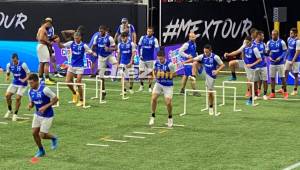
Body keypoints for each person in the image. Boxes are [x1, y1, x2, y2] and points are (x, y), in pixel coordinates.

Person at [57, 32, 97, 106]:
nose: (76, 39)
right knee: (67, 82)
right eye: (75, 38)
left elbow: (90, 51)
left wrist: (93, 53)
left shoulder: (84, 45)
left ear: (80, 38)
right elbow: (61, 46)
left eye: (77, 38)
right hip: (72, 65)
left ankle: (81, 100)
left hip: (80, 66)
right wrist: (58, 42)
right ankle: (75, 93)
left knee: (78, 82)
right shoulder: (71, 43)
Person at [185, 44, 225, 115]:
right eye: (205, 52)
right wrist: (185, 62)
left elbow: (223, 65)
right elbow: (193, 59)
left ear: (211, 51)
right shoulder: (202, 56)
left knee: (210, 93)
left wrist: (217, 71)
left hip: (211, 75)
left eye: (207, 52)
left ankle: (211, 106)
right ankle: (193, 76)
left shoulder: (215, 57)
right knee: (195, 63)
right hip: (204, 73)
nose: (205, 54)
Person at [27, 73, 58, 157]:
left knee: (42, 135)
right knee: (34, 133)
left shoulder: (45, 89)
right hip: (37, 115)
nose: (30, 85)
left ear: (37, 81)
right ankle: (41, 150)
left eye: (31, 83)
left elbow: (56, 99)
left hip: (47, 115)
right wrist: (30, 105)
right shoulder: (30, 91)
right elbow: (32, 102)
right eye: (29, 83)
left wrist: (46, 106)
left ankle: (53, 138)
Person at [149, 48, 176, 128]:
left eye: (161, 59)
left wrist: (165, 74)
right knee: (153, 98)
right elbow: (154, 71)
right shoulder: (156, 63)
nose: (160, 60)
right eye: (158, 58)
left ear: (164, 57)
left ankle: (170, 117)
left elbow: (174, 74)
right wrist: (154, 76)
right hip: (159, 83)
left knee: (168, 102)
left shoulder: (170, 64)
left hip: (168, 85)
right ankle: (153, 116)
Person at [92, 25, 117, 100]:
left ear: (105, 31)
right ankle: (103, 91)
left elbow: (115, 48)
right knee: (101, 76)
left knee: (117, 64)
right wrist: (93, 52)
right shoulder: (97, 37)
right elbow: (93, 46)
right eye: (99, 31)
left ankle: (114, 76)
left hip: (109, 55)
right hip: (101, 57)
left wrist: (109, 48)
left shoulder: (109, 38)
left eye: (102, 31)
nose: (100, 32)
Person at [4, 53, 30, 121]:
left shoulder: (23, 64)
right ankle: (10, 110)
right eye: (13, 61)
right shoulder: (9, 64)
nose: (14, 62)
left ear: (17, 59)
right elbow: (8, 72)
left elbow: (29, 74)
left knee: (18, 98)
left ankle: (15, 114)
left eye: (15, 61)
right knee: (7, 95)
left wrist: (24, 79)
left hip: (23, 84)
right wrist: (7, 76)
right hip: (15, 82)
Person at [266, 30, 288, 99]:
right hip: (272, 63)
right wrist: (269, 57)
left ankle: (285, 92)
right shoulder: (269, 42)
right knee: (272, 78)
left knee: (282, 78)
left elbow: (285, 51)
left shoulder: (282, 42)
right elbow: (267, 53)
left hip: (280, 63)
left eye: (274, 35)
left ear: (277, 35)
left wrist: (280, 57)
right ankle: (272, 93)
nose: (273, 36)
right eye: (272, 34)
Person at [137, 26, 160, 93]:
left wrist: (158, 56)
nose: (149, 32)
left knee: (150, 73)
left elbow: (157, 48)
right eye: (148, 31)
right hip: (142, 59)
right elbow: (139, 47)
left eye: (150, 31)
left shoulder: (155, 39)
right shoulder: (142, 38)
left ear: (152, 32)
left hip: (150, 59)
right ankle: (141, 86)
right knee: (141, 72)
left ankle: (150, 87)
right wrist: (139, 55)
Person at [242, 36, 262, 105]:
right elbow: (243, 55)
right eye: (245, 42)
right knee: (250, 83)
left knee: (251, 83)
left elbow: (260, 59)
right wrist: (245, 62)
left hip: (253, 68)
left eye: (247, 42)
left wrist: (251, 64)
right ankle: (252, 96)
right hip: (248, 67)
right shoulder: (245, 47)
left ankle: (251, 98)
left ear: (251, 41)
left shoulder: (255, 49)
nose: (246, 44)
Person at [178, 32, 200, 96]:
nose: (194, 38)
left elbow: (194, 52)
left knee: (186, 76)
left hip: (192, 62)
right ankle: (194, 91)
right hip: (188, 63)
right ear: (189, 37)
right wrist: (187, 56)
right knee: (191, 76)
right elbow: (180, 51)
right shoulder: (186, 44)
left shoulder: (194, 43)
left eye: (194, 37)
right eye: (192, 37)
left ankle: (182, 90)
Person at [36, 20, 56, 85]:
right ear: (46, 23)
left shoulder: (40, 29)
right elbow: (41, 38)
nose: (49, 26)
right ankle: (47, 79)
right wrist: (48, 42)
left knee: (41, 63)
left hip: (40, 46)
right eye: (49, 24)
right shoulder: (43, 29)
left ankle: (40, 78)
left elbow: (37, 37)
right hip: (43, 46)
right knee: (46, 63)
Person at [253, 30, 268, 100]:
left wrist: (268, 52)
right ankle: (256, 95)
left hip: (263, 65)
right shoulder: (252, 44)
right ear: (258, 36)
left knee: (265, 80)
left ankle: (265, 94)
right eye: (262, 36)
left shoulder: (263, 44)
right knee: (255, 81)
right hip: (255, 66)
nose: (263, 37)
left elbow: (265, 53)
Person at [285, 28, 300, 95]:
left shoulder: (298, 41)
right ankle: (284, 88)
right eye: (290, 33)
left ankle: (295, 90)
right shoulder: (289, 39)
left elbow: (297, 52)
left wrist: (292, 61)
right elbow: (288, 49)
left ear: (295, 33)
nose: (290, 34)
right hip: (288, 59)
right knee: (285, 73)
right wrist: (285, 57)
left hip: (296, 61)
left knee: (296, 75)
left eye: (292, 33)